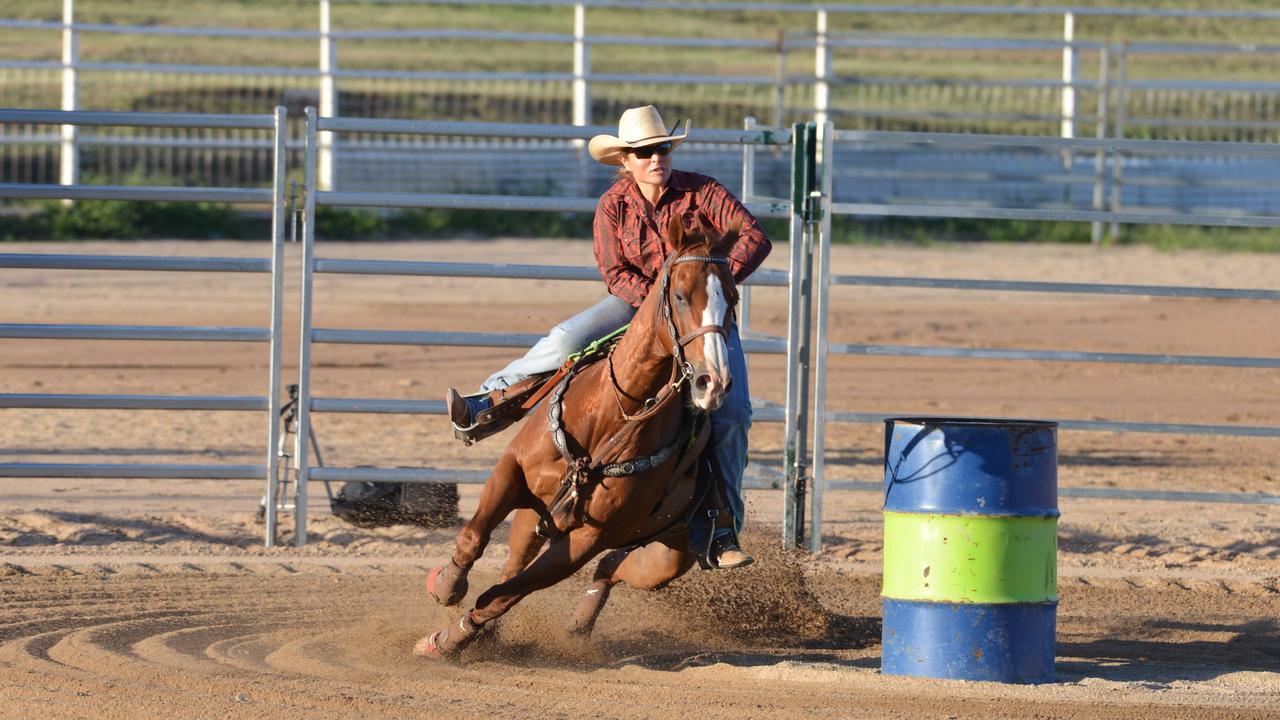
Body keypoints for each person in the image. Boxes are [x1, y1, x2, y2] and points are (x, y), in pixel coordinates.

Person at [445, 105, 771, 569]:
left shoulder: (704, 192)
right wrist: (656, 303)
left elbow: (755, 237)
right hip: (635, 307)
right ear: (626, 161)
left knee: (732, 413)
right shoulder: (613, 206)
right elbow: (614, 271)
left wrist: (709, 287)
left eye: (660, 149)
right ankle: (487, 403)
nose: (655, 158)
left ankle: (721, 528)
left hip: (699, 317)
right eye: (643, 153)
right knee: (564, 340)